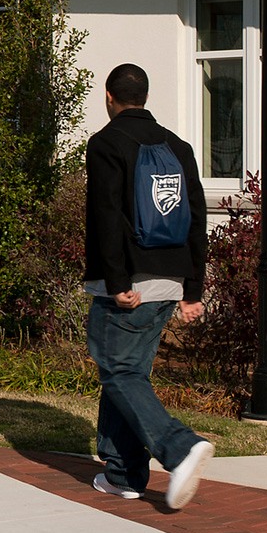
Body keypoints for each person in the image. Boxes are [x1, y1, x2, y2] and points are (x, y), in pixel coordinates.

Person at [84, 63, 215, 509]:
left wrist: (117, 281)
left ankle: (179, 448)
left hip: (128, 284)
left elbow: (105, 216)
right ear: (145, 95)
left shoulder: (106, 143)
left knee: (118, 371)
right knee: (127, 374)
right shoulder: (177, 146)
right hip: (170, 281)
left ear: (109, 96)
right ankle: (122, 474)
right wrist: (192, 289)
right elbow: (197, 218)